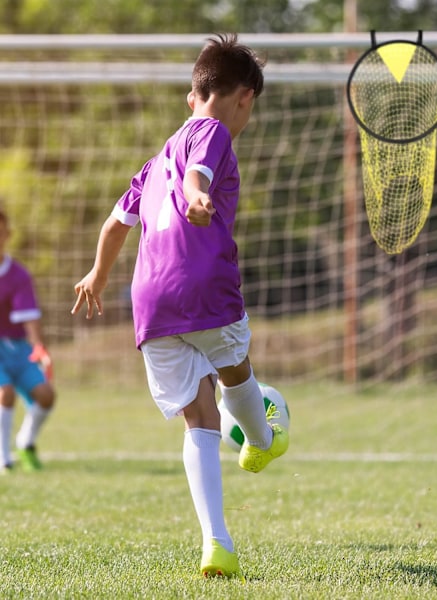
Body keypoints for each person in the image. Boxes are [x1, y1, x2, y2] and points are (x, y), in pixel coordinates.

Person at [71, 34, 288, 580]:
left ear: (193, 94)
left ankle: (217, 543)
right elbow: (199, 174)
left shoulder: (153, 160)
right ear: (244, 98)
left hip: (151, 303)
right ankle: (263, 436)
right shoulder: (213, 131)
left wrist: (97, 275)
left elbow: (115, 224)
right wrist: (196, 196)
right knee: (240, 376)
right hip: (205, 287)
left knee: (198, 417)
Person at [0, 209, 56, 474]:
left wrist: (38, 348)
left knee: (46, 395)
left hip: (18, 348)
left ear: (7, 235)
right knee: (5, 393)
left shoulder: (19, 276)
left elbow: (30, 319)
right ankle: (4, 459)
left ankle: (25, 441)